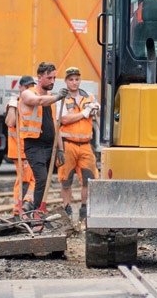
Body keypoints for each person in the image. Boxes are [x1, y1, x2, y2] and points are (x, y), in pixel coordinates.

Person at [19, 62, 66, 211]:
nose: (52, 81)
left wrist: (60, 149)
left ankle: (38, 210)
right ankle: (36, 211)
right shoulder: (28, 93)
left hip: (48, 147)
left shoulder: (51, 98)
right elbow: (38, 101)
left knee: (45, 182)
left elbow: (55, 124)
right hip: (34, 145)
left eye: (54, 78)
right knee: (41, 179)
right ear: (39, 77)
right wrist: (58, 97)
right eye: (49, 78)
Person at [59, 67, 100, 221]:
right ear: (66, 81)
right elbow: (63, 119)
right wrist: (83, 113)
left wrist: (95, 109)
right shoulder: (62, 98)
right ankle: (67, 208)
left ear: (80, 80)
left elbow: (98, 111)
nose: (74, 82)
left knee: (89, 179)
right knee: (66, 179)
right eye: (71, 79)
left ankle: (84, 209)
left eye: (76, 79)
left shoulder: (88, 96)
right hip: (68, 144)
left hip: (86, 144)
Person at [4, 75, 37, 216]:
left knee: (32, 178)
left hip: (29, 149)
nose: (30, 89)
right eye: (27, 87)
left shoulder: (32, 103)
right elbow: (10, 122)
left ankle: (24, 205)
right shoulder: (15, 104)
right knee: (25, 180)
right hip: (21, 150)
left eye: (31, 87)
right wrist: (13, 103)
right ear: (20, 88)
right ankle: (20, 208)